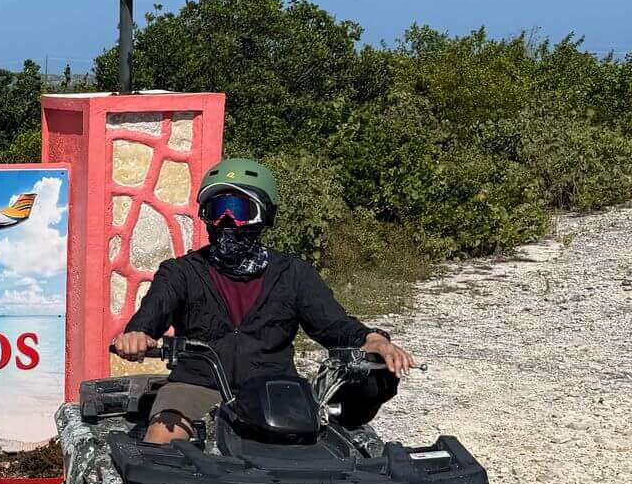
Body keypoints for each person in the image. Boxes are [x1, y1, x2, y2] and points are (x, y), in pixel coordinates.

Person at [111, 158, 414, 444]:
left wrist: (373, 340)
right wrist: (138, 334)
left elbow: (333, 324)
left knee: (304, 456)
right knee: (163, 436)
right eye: (217, 210)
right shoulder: (181, 271)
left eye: (239, 210)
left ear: (265, 215)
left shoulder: (294, 274)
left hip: (272, 390)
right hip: (196, 384)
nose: (227, 220)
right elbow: (153, 312)